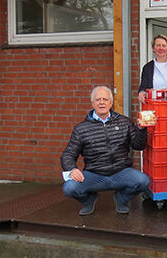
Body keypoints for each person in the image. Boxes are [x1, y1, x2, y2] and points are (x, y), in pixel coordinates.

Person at [61, 86, 150, 216]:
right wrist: (72, 169)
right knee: (69, 188)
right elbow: (68, 154)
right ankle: (89, 199)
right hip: (94, 174)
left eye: (105, 99)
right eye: (98, 100)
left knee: (143, 181)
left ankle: (121, 198)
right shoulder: (81, 129)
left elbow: (138, 146)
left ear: (111, 103)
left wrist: (141, 130)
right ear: (92, 103)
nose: (101, 102)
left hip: (121, 172)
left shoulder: (124, 122)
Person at [137, 34, 167, 103]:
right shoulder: (147, 67)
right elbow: (143, 86)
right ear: (153, 48)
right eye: (158, 45)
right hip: (155, 105)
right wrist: (141, 93)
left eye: (164, 46)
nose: (161, 48)